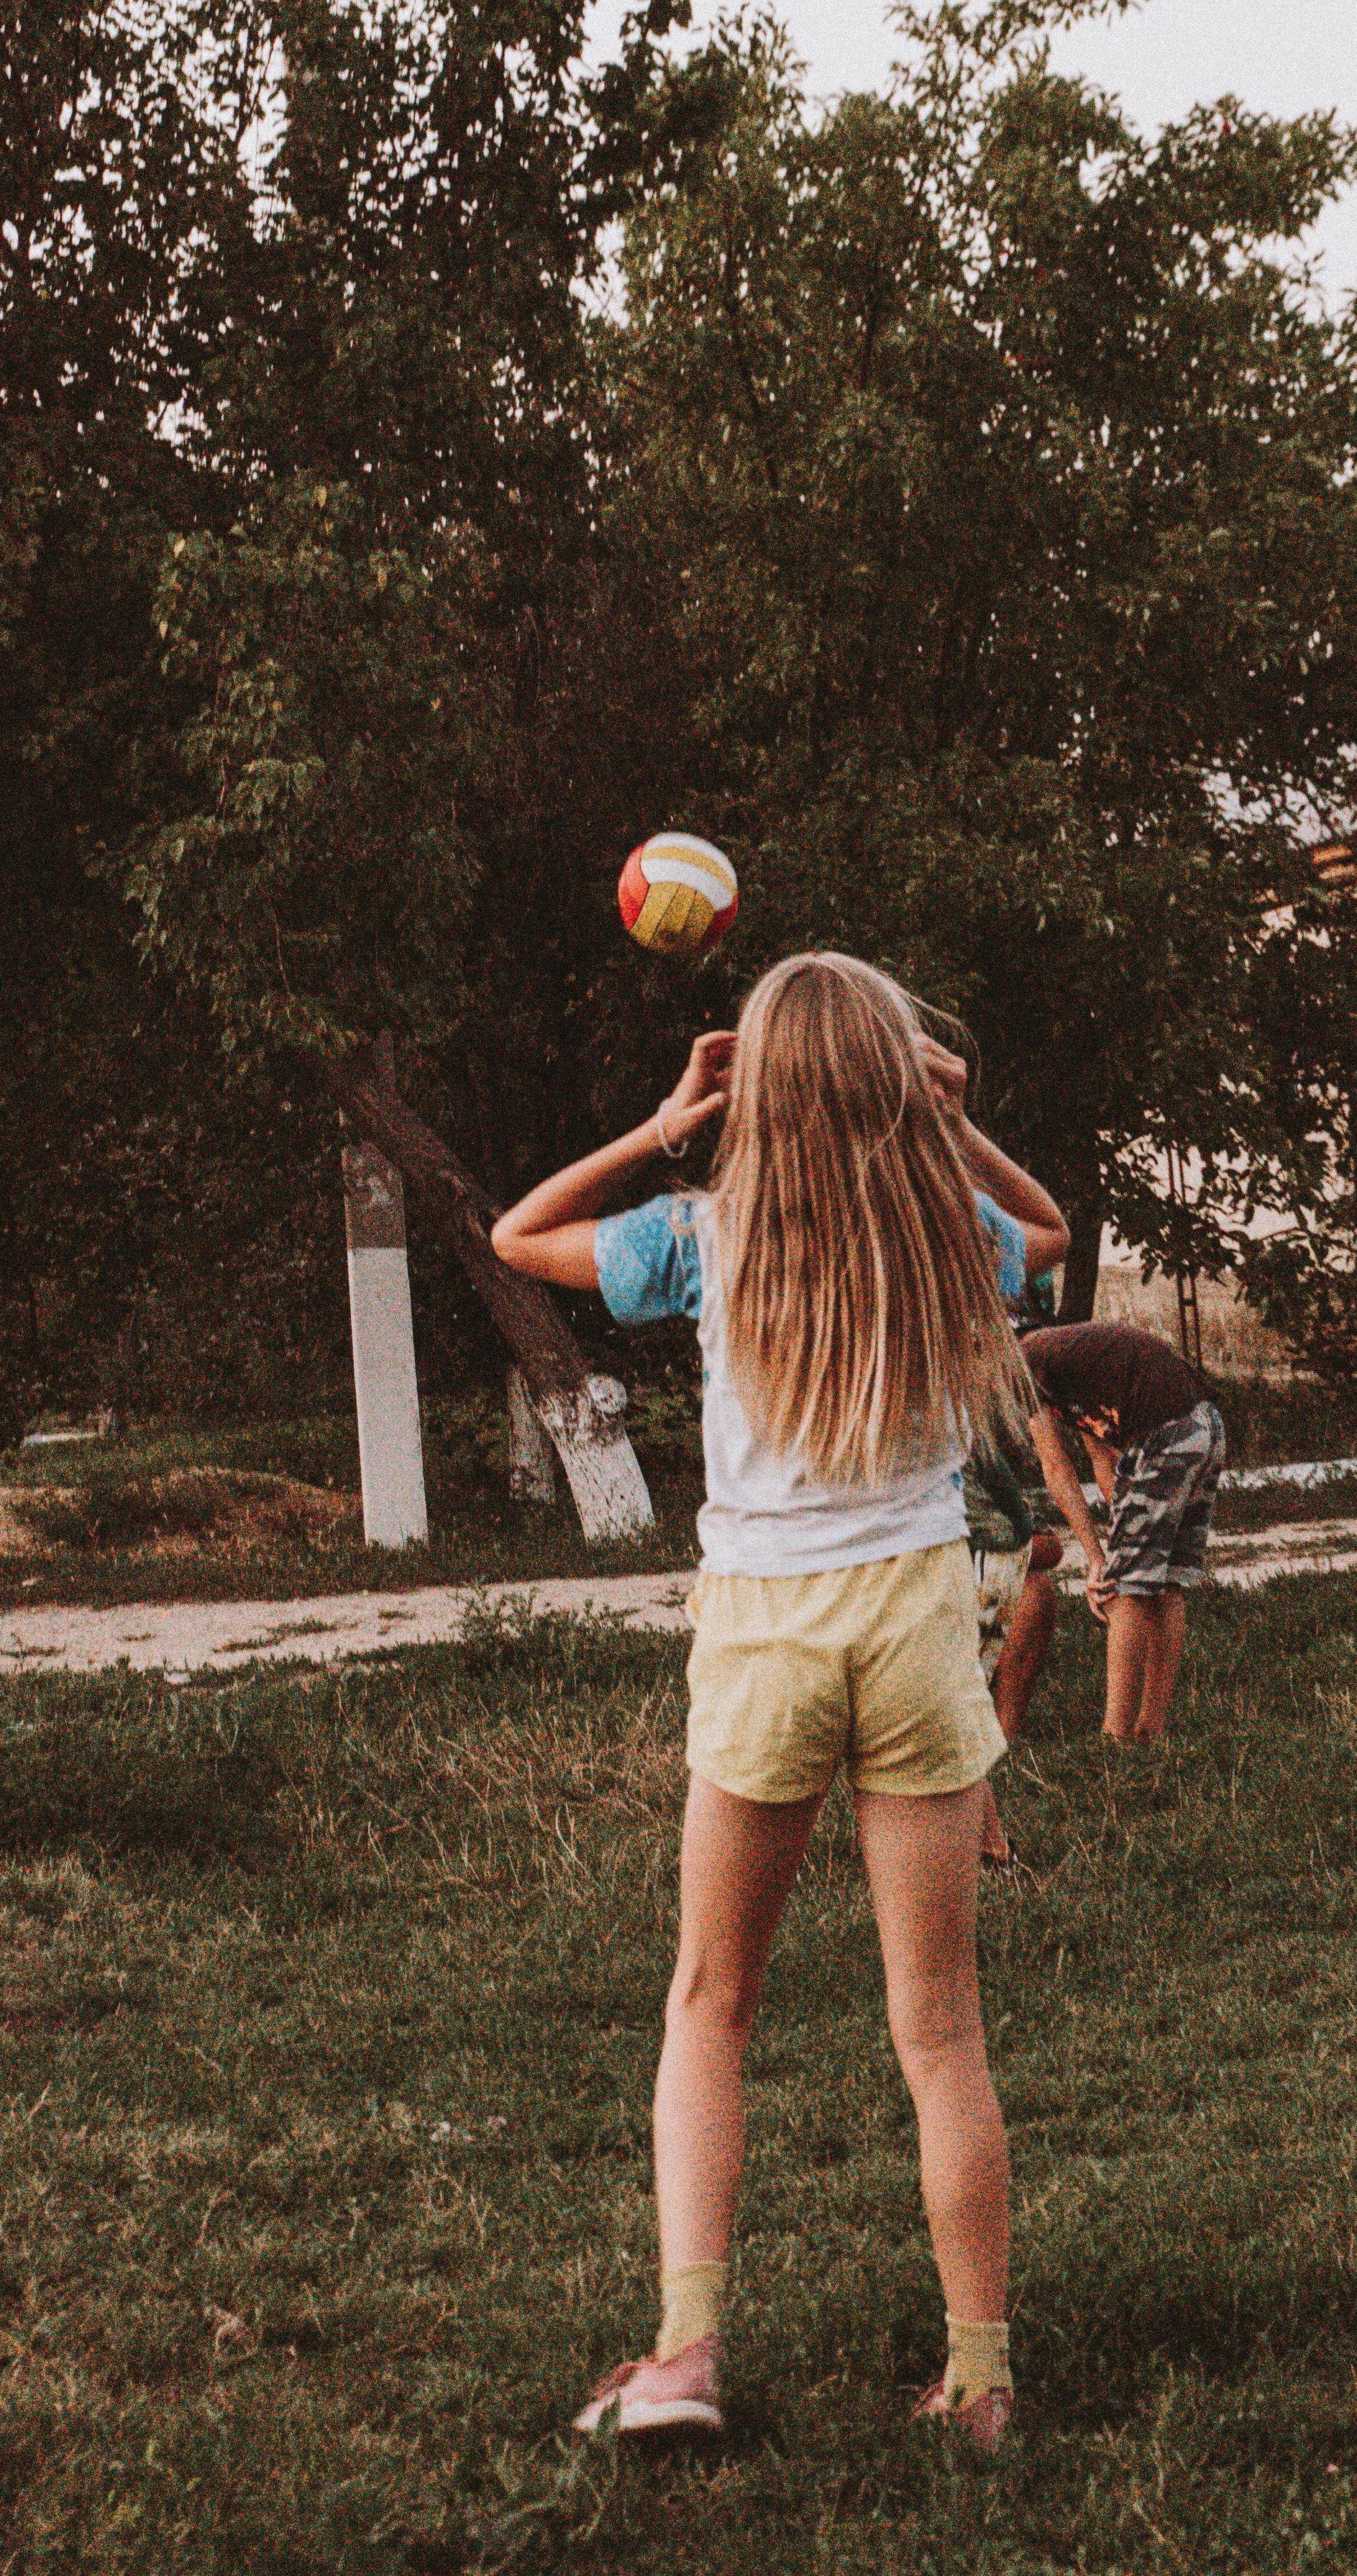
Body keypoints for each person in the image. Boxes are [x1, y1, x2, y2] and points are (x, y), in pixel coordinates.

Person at [490, 955, 1069, 2452]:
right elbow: (1053, 1236)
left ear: (756, 1086)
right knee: (937, 2029)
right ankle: (982, 2380)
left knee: (710, 1999)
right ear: (897, 1076)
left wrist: (666, 1122)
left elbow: (516, 1233)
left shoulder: (701, 1232)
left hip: (764, 1641)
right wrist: (953, 1121)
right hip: (917, 1631)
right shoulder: (953, 1231)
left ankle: (683, 2355)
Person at [1021, 1321, 1225, 1746]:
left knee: (1124, 1589)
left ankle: (1116, 1740)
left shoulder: (1020, 1368)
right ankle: (1150, 1730)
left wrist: (1104, 1563)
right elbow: (1103, 1456)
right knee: (1164, 1583)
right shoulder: (1060, 1363)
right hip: (1205, 1426)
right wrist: (1111, 1546)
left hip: (1166, 1432)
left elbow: (1057, 1469)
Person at [963, 1426, 1059, 1876]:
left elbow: (1043, 1541)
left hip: (968, 1557)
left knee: (948, 1714)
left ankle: (992, 1850)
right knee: (948, 1710)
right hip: (960, 1556)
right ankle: (993, 1850)